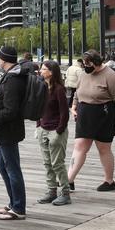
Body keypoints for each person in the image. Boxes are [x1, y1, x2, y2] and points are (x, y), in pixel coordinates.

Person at [68, 50, 115, 192]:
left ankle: (109, 181)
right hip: (85, 113)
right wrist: (74, 105)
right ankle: (69, 179)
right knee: (80, 145)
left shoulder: (111, 76)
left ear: (95, 63)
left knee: (104, 148)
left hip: (104, 114)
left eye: (88, 64)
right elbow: (77, 91)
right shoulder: (83, 74)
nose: (85, 67)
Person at [0, 46, 29, 221]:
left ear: (3, 59)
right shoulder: (12, 76)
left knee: (12, 168)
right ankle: (14, 202)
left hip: (8, 130)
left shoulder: (13, 80)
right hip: (6, 131)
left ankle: (18, 207)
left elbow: (11, 110)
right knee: (2, 165)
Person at [35, 60, 71, 206]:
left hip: (56, 130)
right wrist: (38, 126)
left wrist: (59, 130)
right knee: (47, 163)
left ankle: (65, 192)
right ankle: (51, 191)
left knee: (57, 163)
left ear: (51, 72)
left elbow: (64, 112)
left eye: (44, 69)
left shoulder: (59, 89)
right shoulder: (42, 87)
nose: (40, 71)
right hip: (43, 129)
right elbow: (38, 107)